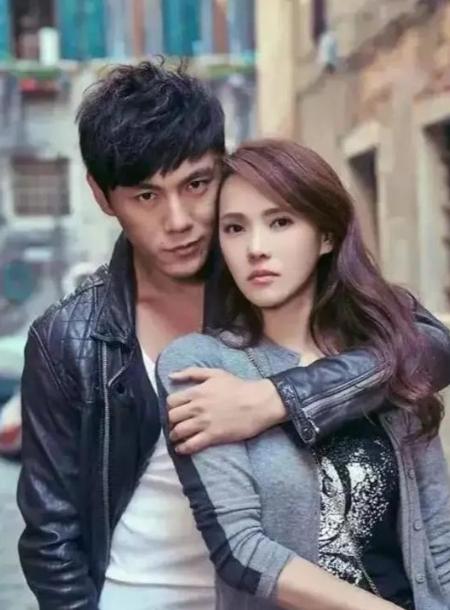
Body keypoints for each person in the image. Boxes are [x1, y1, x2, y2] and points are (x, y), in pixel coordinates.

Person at [17, 61, 450, 610]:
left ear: (221, 169)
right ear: (103, 197)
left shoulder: (274, 278)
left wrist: (274, 400)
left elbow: (430, 348)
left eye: (196, 184)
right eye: (146, 196)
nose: (179, 220)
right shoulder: (68, 339)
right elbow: (52, 538)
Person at [156, 139, 450, 610]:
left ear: (326, 237)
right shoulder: (201, 364)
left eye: (280, 222)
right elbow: (240, 549)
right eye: (235, 228)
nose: (256, 249)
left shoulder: (381, 351)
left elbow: (438, 535)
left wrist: (273, 400)